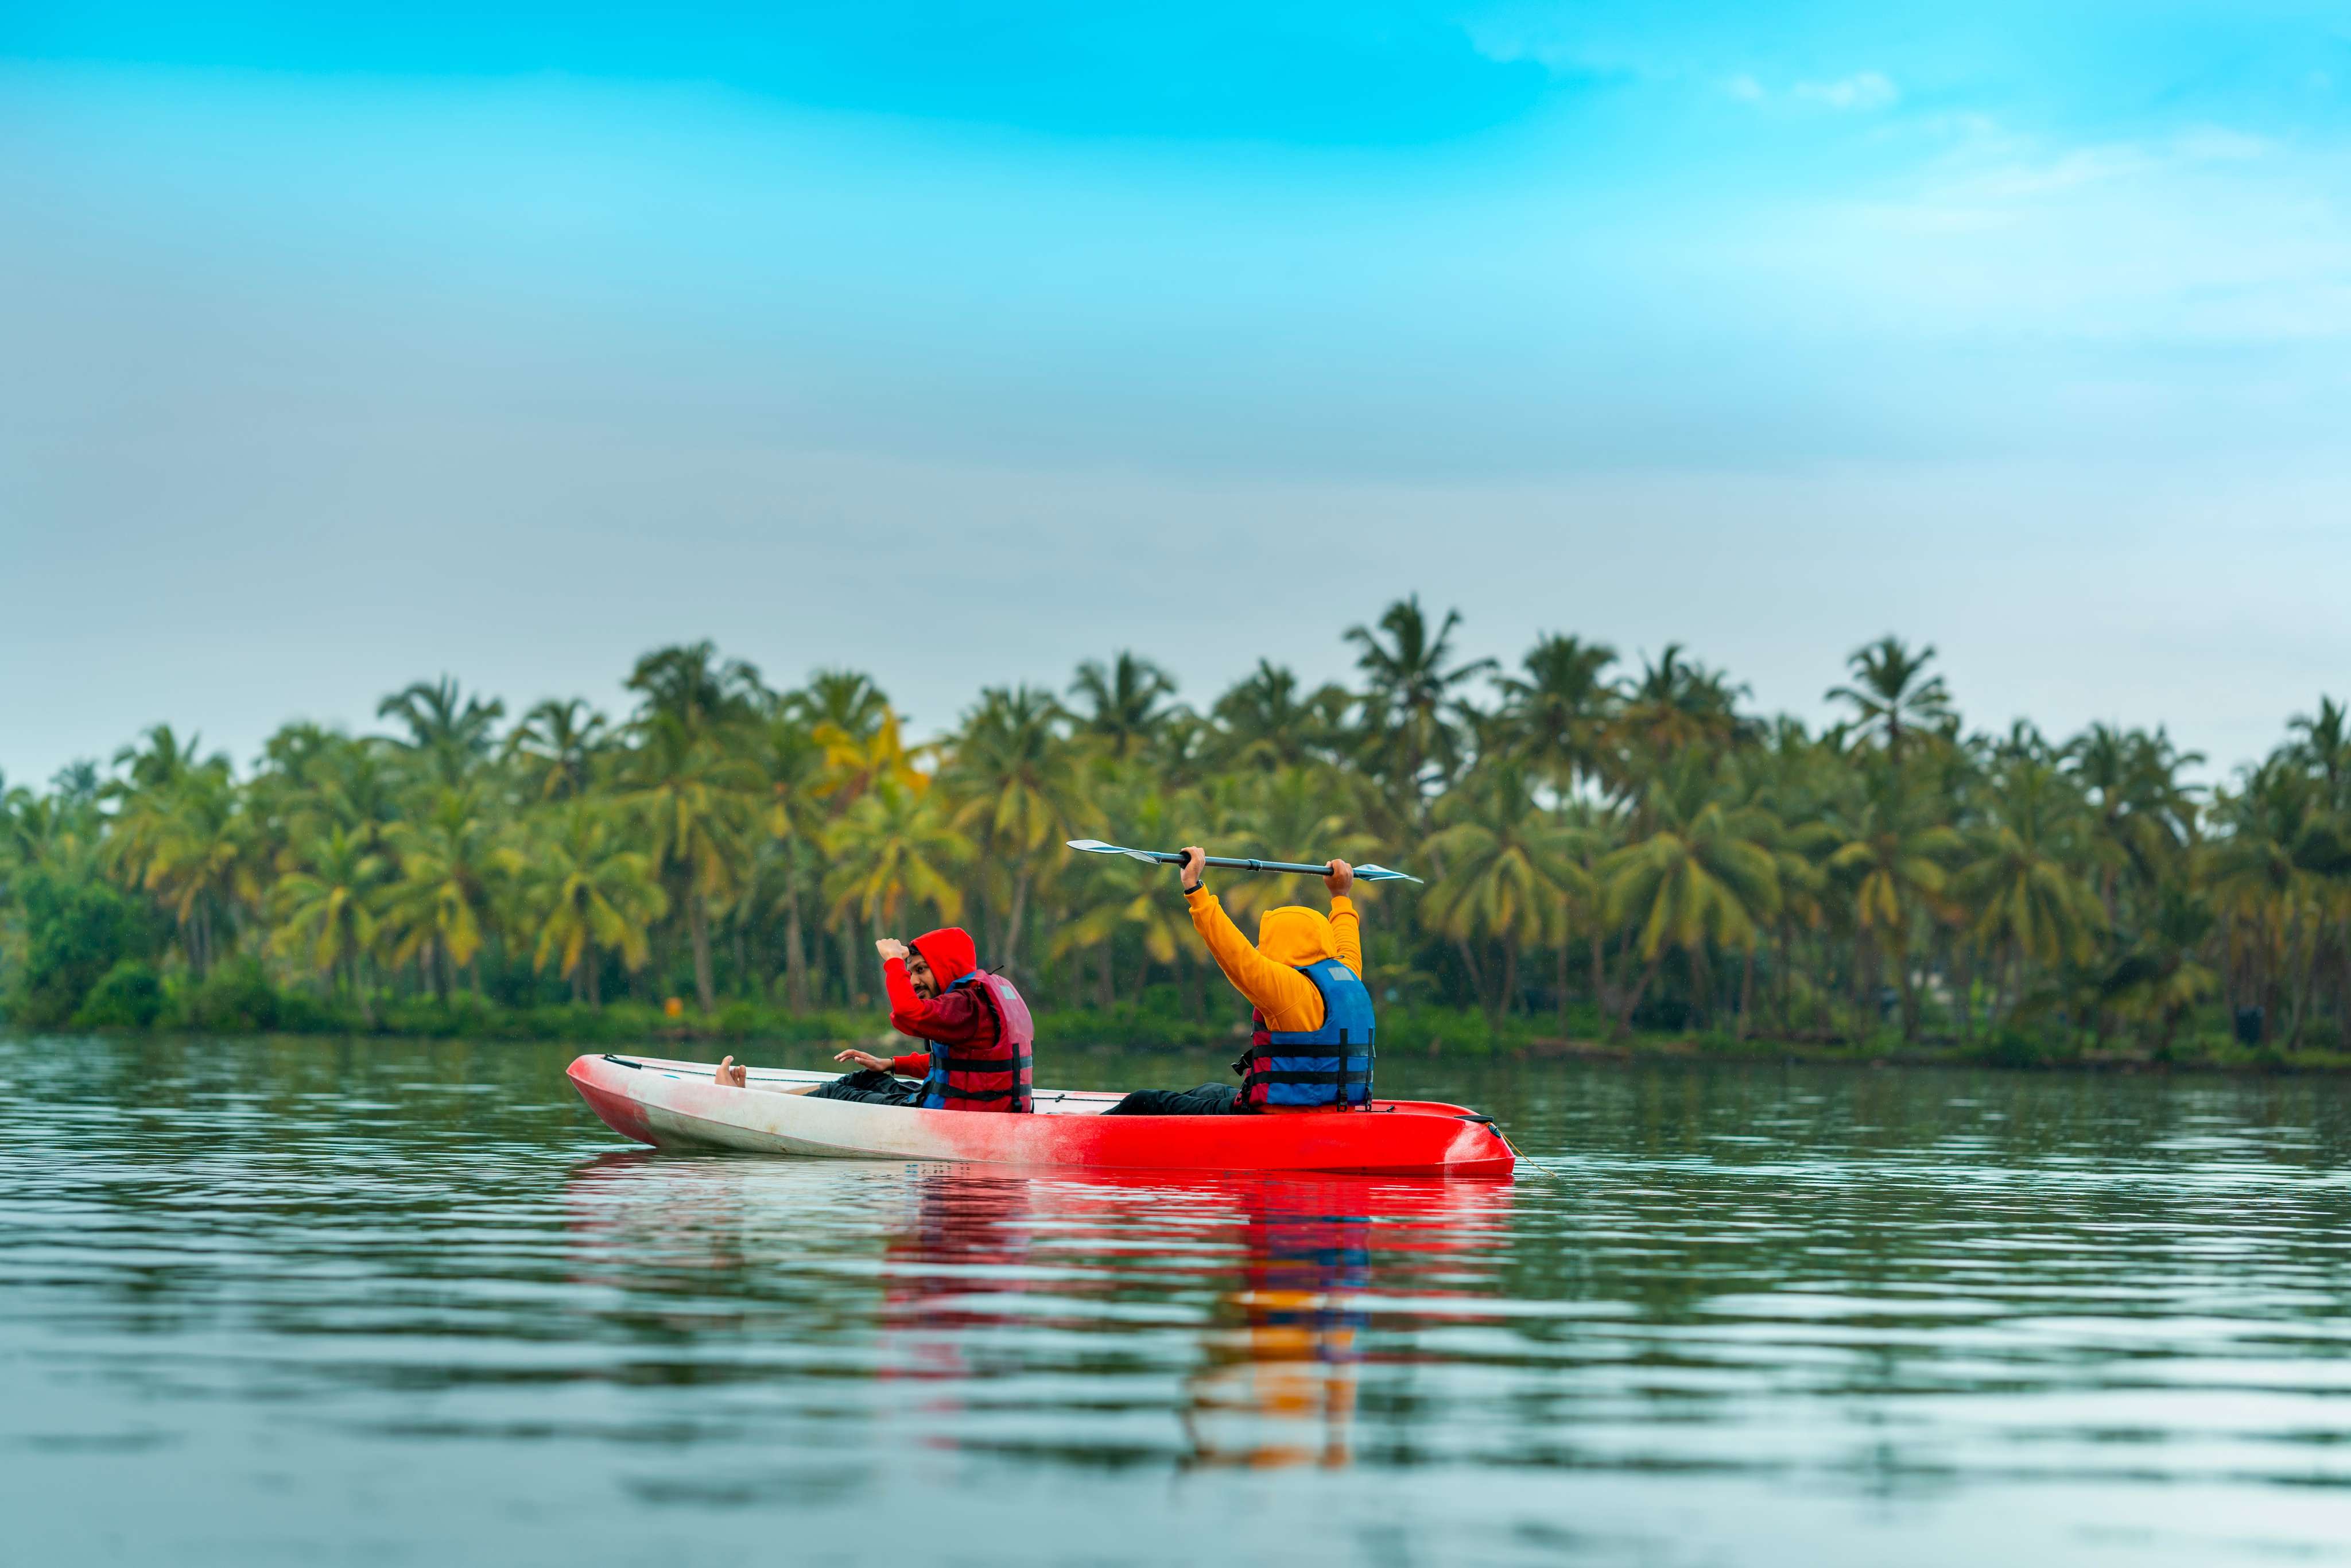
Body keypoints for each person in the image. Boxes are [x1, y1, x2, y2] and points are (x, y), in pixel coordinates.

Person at [1104, 847, 1374, 1116]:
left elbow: (1235, 953)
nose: (1258, 947)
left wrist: (1194, 888)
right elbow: (1347, 938)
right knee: (1210, 1091)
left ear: (1284, 944)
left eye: (1266, 941)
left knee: (1142, 1102)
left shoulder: (1288, 988)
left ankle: (1083, 1139)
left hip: (1279, 1118)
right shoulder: (1346, 975)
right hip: (1331, 1108)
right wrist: (1341, 897)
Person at [712, 926, 1033, 1112]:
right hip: (977, 1108)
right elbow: (963, 1065)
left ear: (948, 967)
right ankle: (759, 1097)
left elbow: (908, 1015)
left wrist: (894, 963)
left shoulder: (964, 1004)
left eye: (921, 970)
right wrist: (890, 1064)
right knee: (864, 1080)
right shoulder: (976, 1001)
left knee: (838, 1094)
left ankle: (746, 1105)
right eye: (910, 973)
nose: (914, 981)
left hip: (957, 1117)